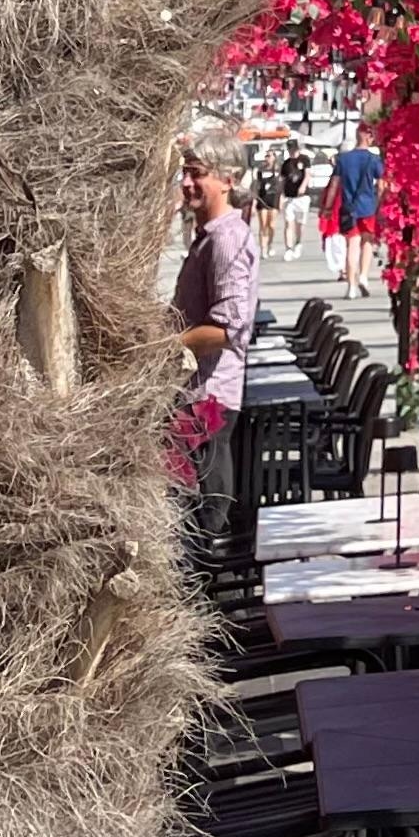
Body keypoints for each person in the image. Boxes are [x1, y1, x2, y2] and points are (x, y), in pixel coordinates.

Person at [171, 129, 261, 538]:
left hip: (208, 399)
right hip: (197, 394)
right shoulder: (209, 237)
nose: (188, 182)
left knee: (201, 512)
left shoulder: (226, 240)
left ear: (228, 179)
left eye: (198, 173)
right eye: (186, 172)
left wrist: (166, 345)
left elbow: (229, 327)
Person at [328, 124, 384, 293]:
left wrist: (328, 207)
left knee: (352, 244)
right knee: (367, 241)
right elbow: (382, 185)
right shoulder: (373, 159)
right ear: (368, 137)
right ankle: (364, 277)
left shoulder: (343, 159)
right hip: (368, 207)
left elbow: (334, 185)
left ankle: (351, 286)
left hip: (348, 207)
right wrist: (379, 205)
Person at [278, 139, 312, 256]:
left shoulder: (304, 159)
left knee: (300, 223)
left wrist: (303, 186)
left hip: (302, 197)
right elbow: (282, 180)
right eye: (289, 149)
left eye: (293, 149)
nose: (291, 151)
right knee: (288, 222)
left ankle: (298, 242)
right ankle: (288, 248)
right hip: (289, 197)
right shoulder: (286, 164)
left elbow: (307, 175)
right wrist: (281, 195)